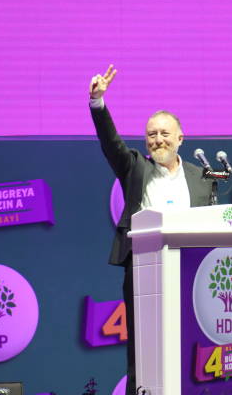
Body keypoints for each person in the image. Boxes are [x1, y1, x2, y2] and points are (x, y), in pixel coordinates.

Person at [89, 65, 212, 395]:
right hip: (143, 270)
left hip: (192, 271)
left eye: (164, 133)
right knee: (143, 348)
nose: (158, 140)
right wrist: (98, 102)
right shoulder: (135, 167)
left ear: (180, 138)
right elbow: (110, 143)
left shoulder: (202, 177)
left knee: (194, 343)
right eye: (151, 134)